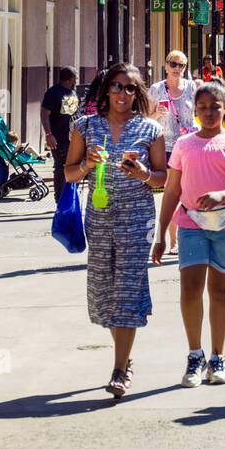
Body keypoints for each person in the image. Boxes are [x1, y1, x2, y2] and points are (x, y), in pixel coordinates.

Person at [65, 62, 167, 398]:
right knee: (103, 293)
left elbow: (163, 179)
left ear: (138, 94)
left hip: (136, 221)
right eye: (117, 86)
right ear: (106, 90)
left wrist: (141, 174)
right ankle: (125, 353)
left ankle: (120, 368)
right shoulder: (85, 127)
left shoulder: (150, 130)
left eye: (130, 88)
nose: (123, 94)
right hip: (99, 219)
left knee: (126, 291)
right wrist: (88, 165)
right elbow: (69, 174)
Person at [153, 82, 225, 387]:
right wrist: (160, 235)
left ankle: (218, 357)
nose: (209, 113)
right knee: (189, 290)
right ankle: (194, 355)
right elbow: (171, 190)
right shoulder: (185, 145)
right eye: (202, 108)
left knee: (220, 290)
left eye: (216, 107)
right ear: (194, 111)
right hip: (190, 225)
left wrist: (222, 195)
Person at [149, 50, 198, 254]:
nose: (178, 69)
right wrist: (155, 114)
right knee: (172, 195)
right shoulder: (156, 89)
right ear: (166, 66)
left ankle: (191, 237)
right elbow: (145, 118)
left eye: (182, 65)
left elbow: (199, 112)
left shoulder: (192, 87)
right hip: (167, 148)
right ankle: (174, 240)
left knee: (191, 193)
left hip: (189, 146)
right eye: (174, 64)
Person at [40, 67, 80, 200]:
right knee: (60, 167)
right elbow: (44, 114)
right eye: (76, 78)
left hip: (74, 138)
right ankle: (59, 198)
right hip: (58, 138)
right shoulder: (53, 93)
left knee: (75, 166)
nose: (77, 80)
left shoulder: (73, 92)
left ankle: (71, 196)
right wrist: (48, 134)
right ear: (70, 78)